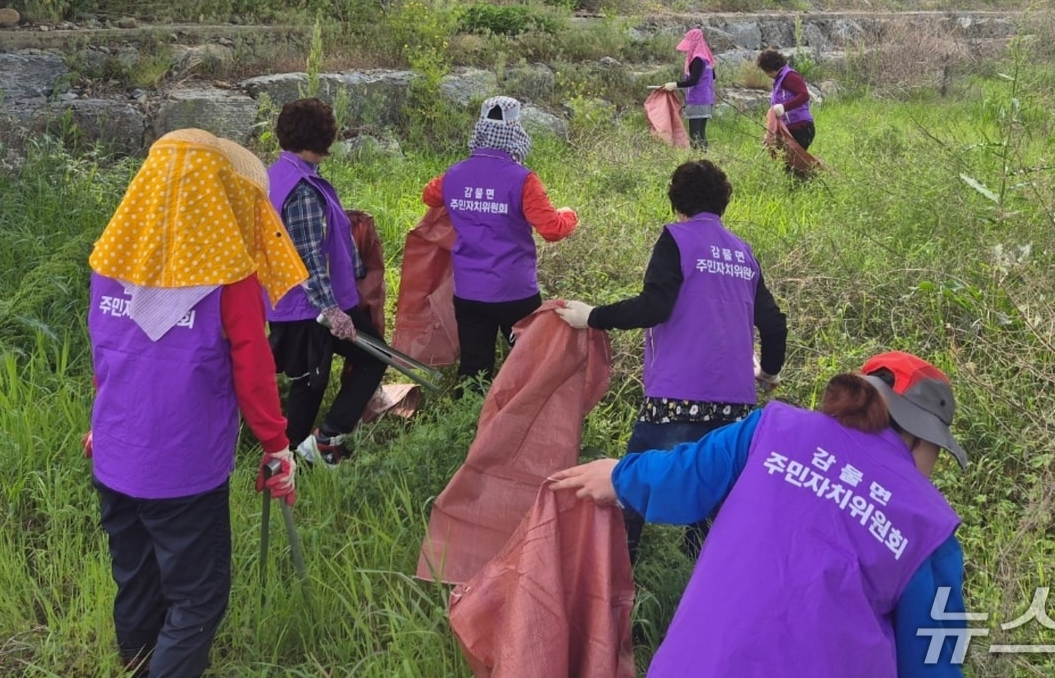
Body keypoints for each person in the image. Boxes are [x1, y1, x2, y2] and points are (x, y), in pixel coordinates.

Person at [549, 351, 974, 678]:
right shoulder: (929, 525)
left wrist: (621, 475)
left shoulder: (775, 427)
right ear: (917, 435)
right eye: (937, 450)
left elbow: (687, 475)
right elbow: (933, 670)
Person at [86, 130, 304, 678]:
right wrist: (278, 446)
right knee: (198, 595)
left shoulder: (112, 261)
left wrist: (99, 424)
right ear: (216, 195)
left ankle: (136, 674)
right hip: (183, 468)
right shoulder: (228, 281)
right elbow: (253, 371)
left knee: (136, 580)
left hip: (114, 453)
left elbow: (107, 354)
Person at [555, 159, 787, 559]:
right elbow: (774, 324)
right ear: (723, 203)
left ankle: (617, 569)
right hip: (736, 403)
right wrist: (767, 371)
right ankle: (698, 573)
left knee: (627, 483)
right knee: (713, 490)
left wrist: (592, 316)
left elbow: (653, 307)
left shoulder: (677, 239)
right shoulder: (743, 254)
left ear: (676, 204)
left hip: (676, 396)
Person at [422, 95, 578, 392]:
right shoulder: (523, 180)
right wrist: (570, 215)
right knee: (527, 364)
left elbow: (429, 196)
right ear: (515, 130)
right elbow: (552, 230)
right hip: (514, 294)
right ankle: (516, 422)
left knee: (473, 370)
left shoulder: (453, 175)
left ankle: (467, 429)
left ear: (480, 129)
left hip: (469, 293)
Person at [265, 97, 388, 467]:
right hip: (309, 307)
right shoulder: (301, 189)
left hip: (287, 301)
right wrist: (333, 310)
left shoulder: (278, 174)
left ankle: (291, 458)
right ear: (324, 136)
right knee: (364, 360)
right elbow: (307, 258)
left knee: (308, 380)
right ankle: (316, 444)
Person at [663, 28, 717, 151]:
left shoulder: (697, 59)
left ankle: (699, 163)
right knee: (701, 134)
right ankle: (705, 159)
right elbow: (712, 76)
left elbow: (693, 81)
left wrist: (674, 85)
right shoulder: (706, 58)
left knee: (695, 137)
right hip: (706, 100)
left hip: (697, 100)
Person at [757, 47, 815, 152]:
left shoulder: (789, 76)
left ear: (770, 69)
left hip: (801, 127)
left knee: (794, 165)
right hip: (789, 129)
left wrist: (784, 107)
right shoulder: (779, 80)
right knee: (788, 163)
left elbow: (804, 95)